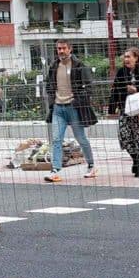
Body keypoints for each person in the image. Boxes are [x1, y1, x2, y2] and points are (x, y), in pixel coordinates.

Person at [43, 39, 98, 182]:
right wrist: (52, 101)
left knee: (81, 138)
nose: (61, 51)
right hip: (58, 108)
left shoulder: (79, 66)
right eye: (59, 48)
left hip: (73, 107)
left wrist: (77, 101)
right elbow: (49, 85)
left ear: (70, 49)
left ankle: (91, 165)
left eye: (63, 48)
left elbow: (89, 86)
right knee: (56, 139)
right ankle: (55, 169)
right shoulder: (54, 66)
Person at [107, 47, 139, 178]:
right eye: (125, 57)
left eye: (129, 56)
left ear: (137, 58)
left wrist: (137, 89)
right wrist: (112, 107)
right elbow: (115, 89)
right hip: (126, 109)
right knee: (125, 138)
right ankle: (136, 160)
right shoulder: (121, 72)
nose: (126, 59)